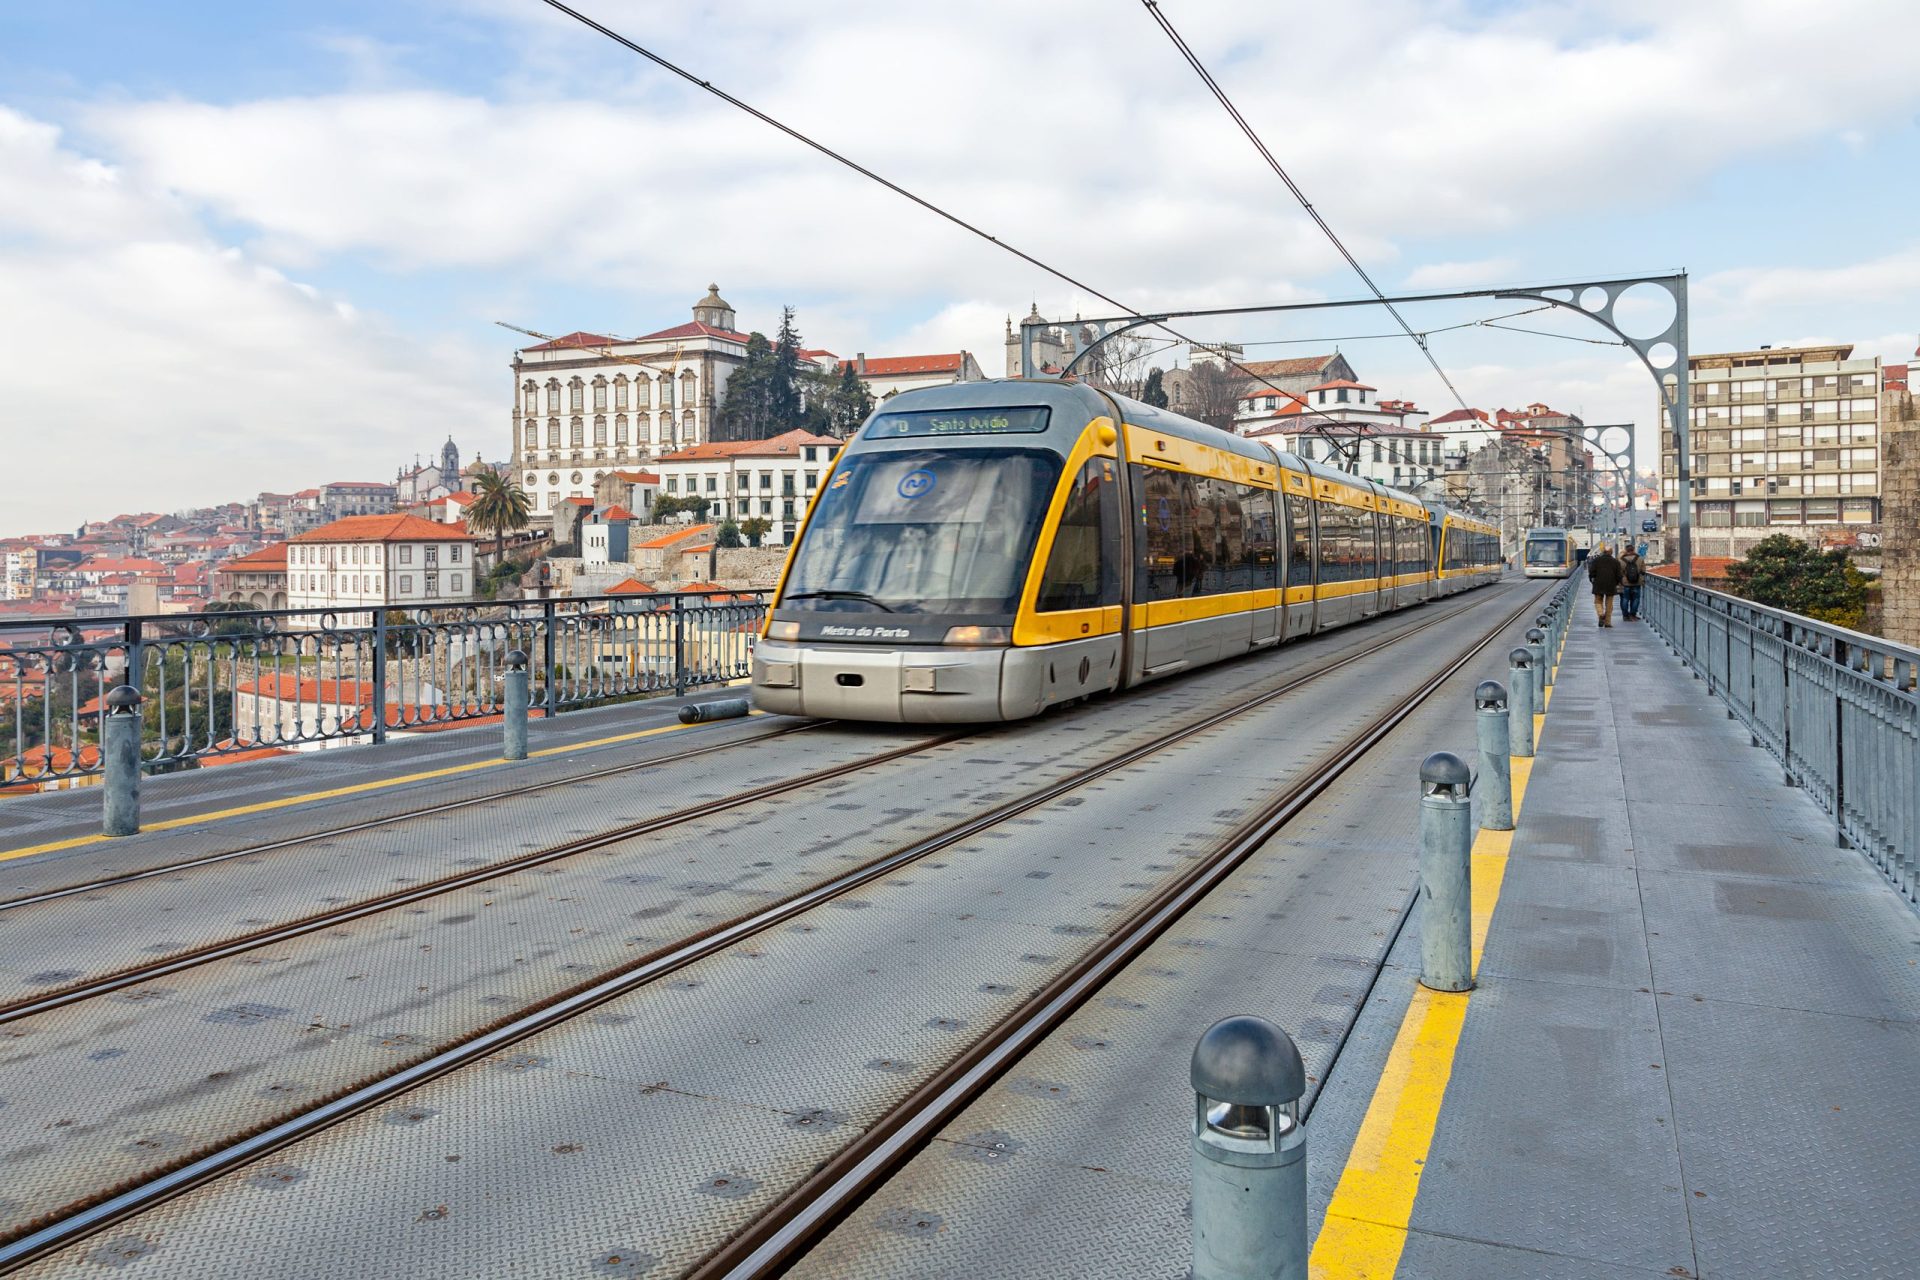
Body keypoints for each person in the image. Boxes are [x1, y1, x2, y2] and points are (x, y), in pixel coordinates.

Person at [1586, 542, 1623, 627]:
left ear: (1603, 552)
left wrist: (1592, 580)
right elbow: (1619, 575)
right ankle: (1607, 623)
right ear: (1611, 552)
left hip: (1598, 584)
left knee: (1598, 601)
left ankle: (1601, 614)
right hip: (1611, 584)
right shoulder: (1615, 562)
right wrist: (1617, 583)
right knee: (1609, 604)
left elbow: (1592, 572)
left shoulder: (1596, 560)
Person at [1618, 546, 1645, 621]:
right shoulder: (1640, 558)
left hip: (1625, 582)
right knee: (1636, 599)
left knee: (1625, 599)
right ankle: (1633, 614)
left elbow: (1619, 572)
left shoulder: (1621, 560)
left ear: (1626, 550)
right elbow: (1643, 570)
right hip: (1637, 582)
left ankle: (1625, 616)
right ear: (1633, 550)